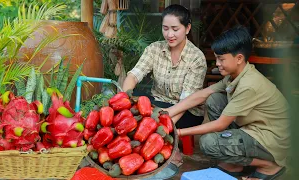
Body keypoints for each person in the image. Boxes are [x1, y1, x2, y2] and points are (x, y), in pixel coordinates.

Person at [165, 26, 290, 180]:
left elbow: (220, 125)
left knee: (209, 143)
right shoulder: (235, 76)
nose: (217, 63)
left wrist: (178, 133)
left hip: (271, 140)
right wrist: (167, 114)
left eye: (221, 59)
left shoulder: (248, 85)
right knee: (214, 99)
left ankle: (269, 165)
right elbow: (203, 95)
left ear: (238, 58)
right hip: (254, 129)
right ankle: (235, 163)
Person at [123, 4, 207, 130]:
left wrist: (165, 123)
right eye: (165, 28)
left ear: (187, 28)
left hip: (186, 111)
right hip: (157, 102)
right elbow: (134, 76)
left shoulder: (196, 58)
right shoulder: (154, 49)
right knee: (134, 98)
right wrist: (123, 102)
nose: (169, 34)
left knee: (144, 120)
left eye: (175, 29)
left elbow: (187, 102)